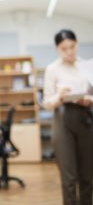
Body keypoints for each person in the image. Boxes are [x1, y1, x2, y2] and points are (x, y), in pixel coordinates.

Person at [43, 29, 93, 205]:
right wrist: (60, 95)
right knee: (69, 177)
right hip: (63, 120)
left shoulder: (87, 66)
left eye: (72, 46)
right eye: (64, 48)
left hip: (86, 120)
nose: (69, 51)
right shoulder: (52, 69)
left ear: (77, 44)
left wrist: (88, 100)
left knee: (88, 176)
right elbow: (47, 103)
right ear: (58, 49)